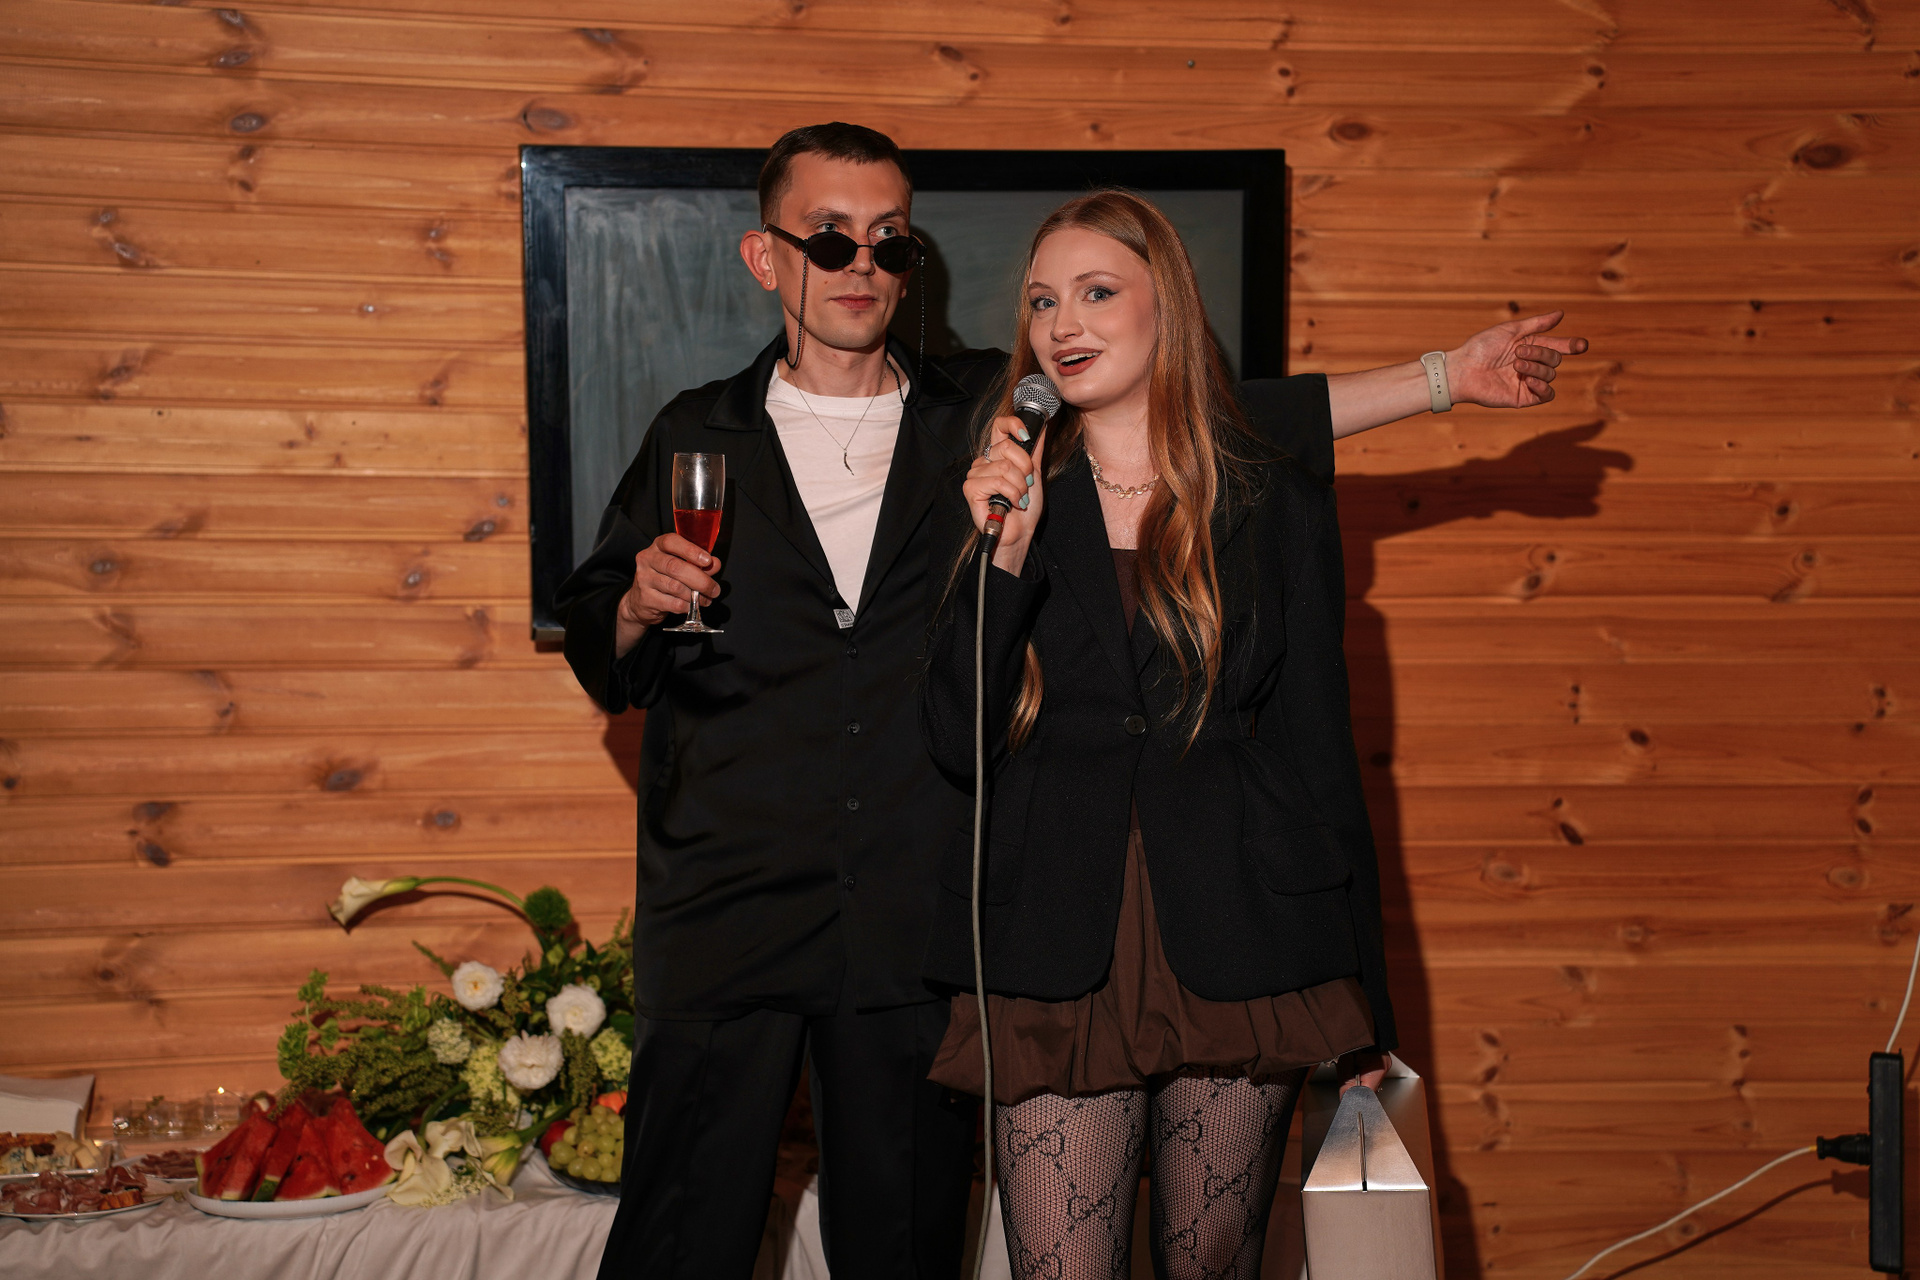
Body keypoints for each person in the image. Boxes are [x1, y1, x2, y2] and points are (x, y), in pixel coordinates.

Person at [555, 125, 1587, 1280]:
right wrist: (636, 601)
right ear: (766, 257)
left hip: (915, 912)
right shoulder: (697, 429)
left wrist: (1442, 378)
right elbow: (602, 636)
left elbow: (1216, 415)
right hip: (733, 904)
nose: (863, 264)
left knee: (906, 1246)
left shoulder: (985, 413)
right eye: (831, 239)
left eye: (891, 242)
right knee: (678, 1238)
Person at [918, 189, 1540, 1279]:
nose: (1062, 323)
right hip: (1057, 936)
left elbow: (1321, 754)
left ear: (1165, 306)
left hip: (1245, 931)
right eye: (1043, 301)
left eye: (1097, 292)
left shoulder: (1271, 499)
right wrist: (1000, 561)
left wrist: (1367, 1009)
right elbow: (951, 741)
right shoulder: (1002, 494)